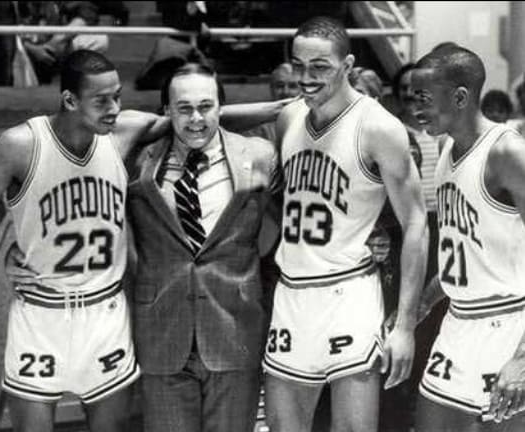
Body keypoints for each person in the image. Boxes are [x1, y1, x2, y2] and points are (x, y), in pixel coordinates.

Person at [262, 16, 428, 432]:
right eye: (298, 66)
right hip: (292, 292)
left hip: (348, 292)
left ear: (348, 64)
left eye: (319, 66)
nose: (306, 77)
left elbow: (416, 223)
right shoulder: (288, 119)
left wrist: (405, 325)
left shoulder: (378, 127)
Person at [0, 49, 173, 432]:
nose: (114, 108)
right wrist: (6, 251)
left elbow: (202, 117)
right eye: (102, 100)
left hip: (104, 311)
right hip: (41, 313)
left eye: (118, 96)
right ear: (70, 100)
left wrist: (283, 106)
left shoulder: (122, 134)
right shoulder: (19, 145)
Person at [127, 62, 282, 432]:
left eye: (206, 106)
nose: (196, 118)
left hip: (235, 329)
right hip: (161, 333)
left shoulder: (259, 155)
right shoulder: (137, 159)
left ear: (221, 108)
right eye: (183, 108)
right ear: (165, 112)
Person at [411, 44, 525, 432]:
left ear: (460, 97)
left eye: (424, 98)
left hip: (510, 324)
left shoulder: (508, 153)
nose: (415, 108)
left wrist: (522, 359)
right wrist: (417, 308)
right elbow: (461, 255)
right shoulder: (446, 150)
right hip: (458, 322)